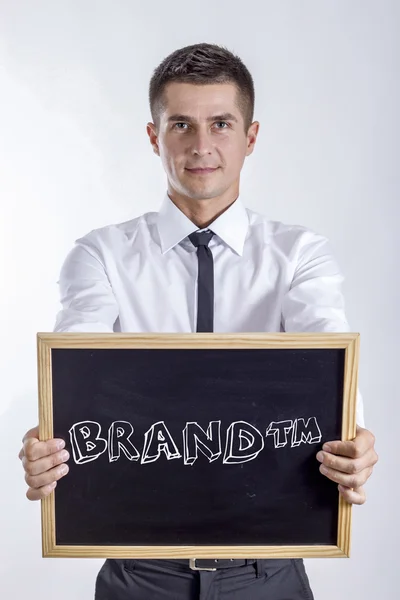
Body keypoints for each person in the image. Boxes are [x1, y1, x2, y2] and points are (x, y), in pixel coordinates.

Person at [18, 43, 378, 600]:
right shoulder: (101, 256)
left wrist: (355, 440)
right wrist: (49, 441)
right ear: (153, 136)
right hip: (140, 575)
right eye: (181, 124)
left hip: (268, 574)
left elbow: (329, 362)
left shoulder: (300, 255)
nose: (201, 145)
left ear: (251, 137)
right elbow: (74, 376)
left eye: (221, 124)